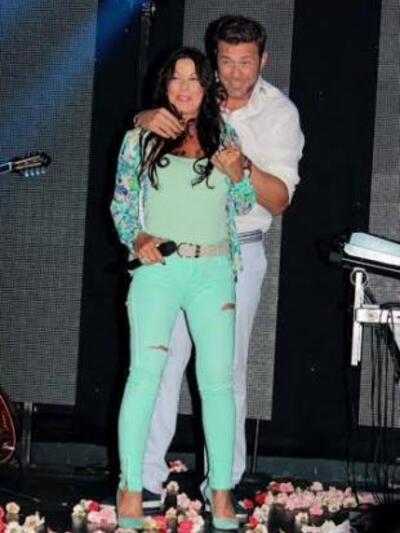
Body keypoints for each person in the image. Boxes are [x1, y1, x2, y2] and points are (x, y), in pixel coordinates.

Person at [134, 14, 305, 515]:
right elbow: (143, 150)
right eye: (226, 61)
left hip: (234, 253)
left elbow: (280, 200)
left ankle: (221, 488)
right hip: (171, 252)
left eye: (245, 62)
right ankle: (144, 482)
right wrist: (143, 118)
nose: (234, 73)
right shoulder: (193, 96)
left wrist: (243, 167)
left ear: (263, 60)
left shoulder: (279, 114)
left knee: (224, 371)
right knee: (159, 363)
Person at [111, 46, 256, 529]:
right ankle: (131, 486)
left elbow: (243, 203)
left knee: (217, 384)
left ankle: (221, 492)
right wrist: (137, 237)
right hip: (159, 269)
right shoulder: (140, 137)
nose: (185, 86)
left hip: (213, 271)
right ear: (165, 85)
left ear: (207, 85)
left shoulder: (225, 134)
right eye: (176, 77)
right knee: (144, 376)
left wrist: (239, 176)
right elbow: (121, 205)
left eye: (194, 78)